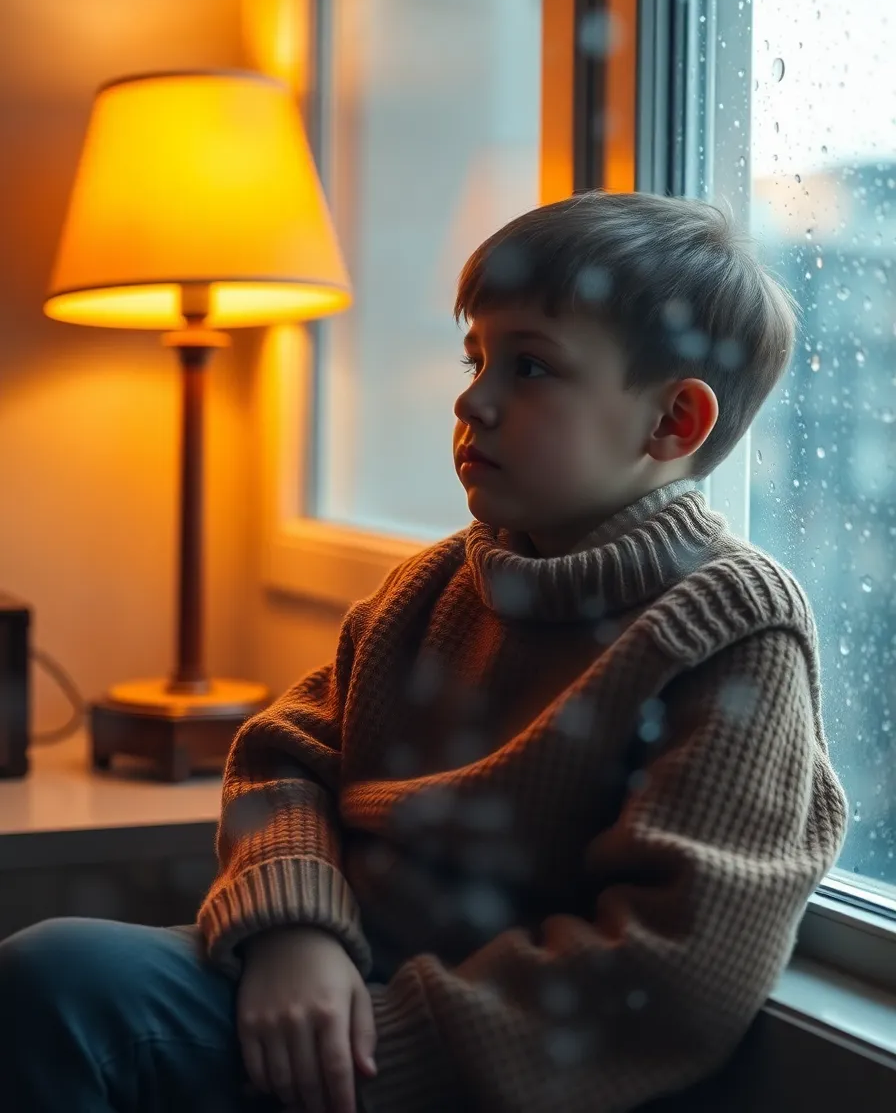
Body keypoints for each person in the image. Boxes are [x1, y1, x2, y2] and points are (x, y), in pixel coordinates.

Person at [0, 191, 847, 1113]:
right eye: (475, 356)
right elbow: (283, 760)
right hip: (325, 979)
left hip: (477, 1057)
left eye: (529, 366)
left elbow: (679, 966)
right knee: (52, 970)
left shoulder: (731, 626)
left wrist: (381, 1052)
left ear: (673, 423)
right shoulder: (435, 584)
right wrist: (296, 932)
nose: (471, 398)